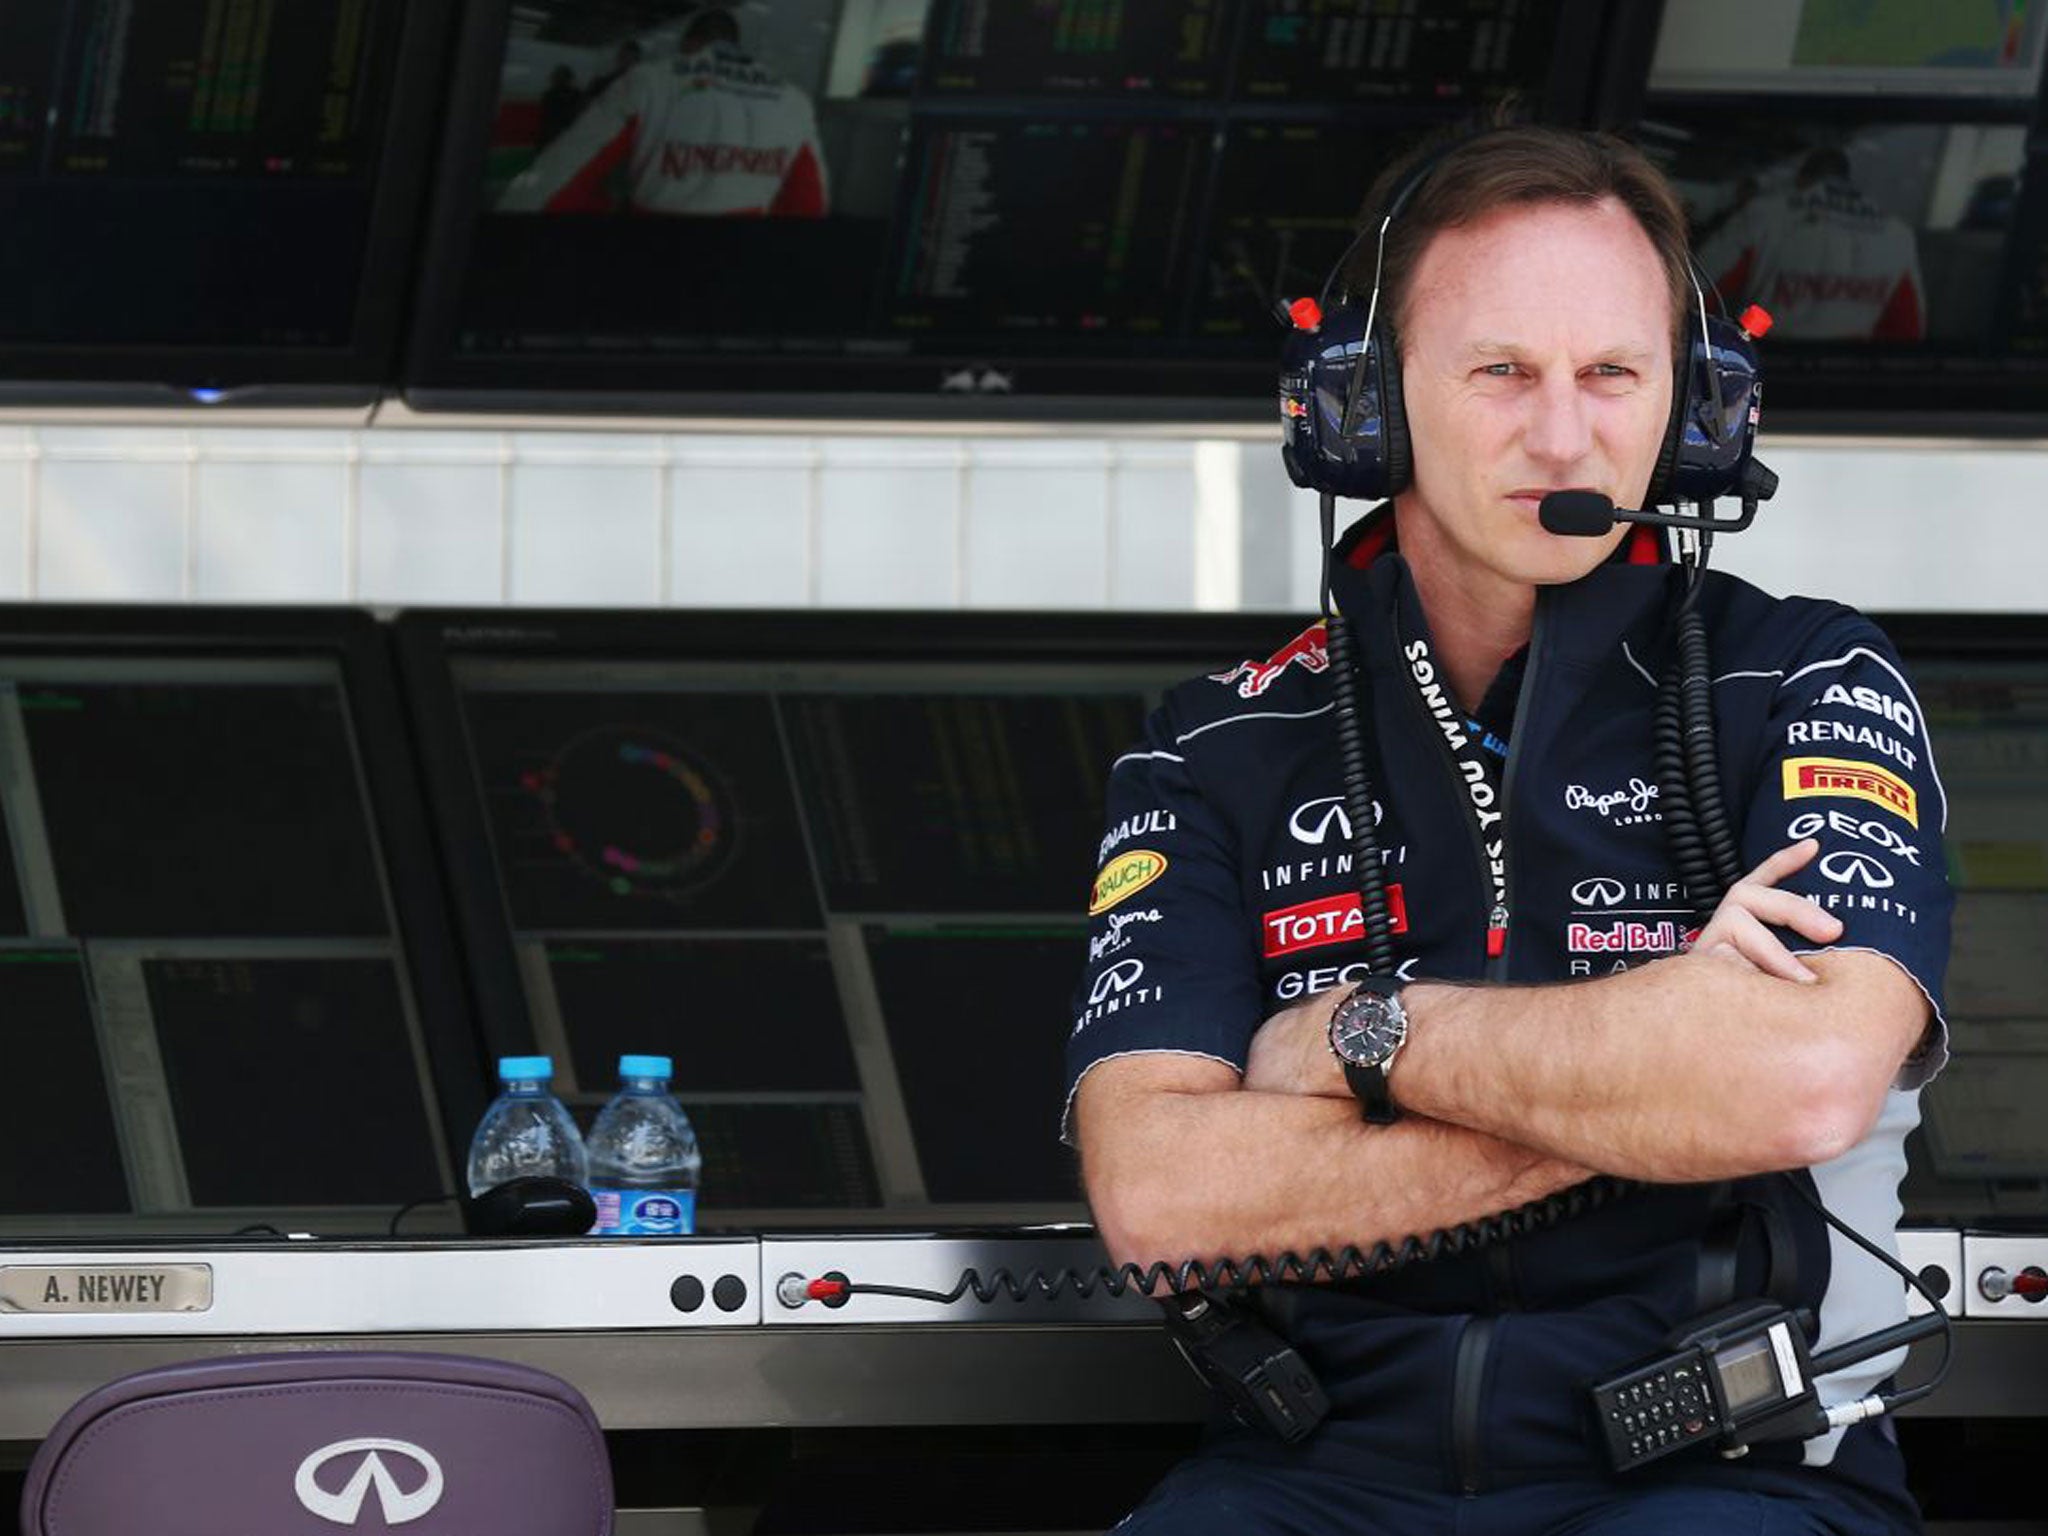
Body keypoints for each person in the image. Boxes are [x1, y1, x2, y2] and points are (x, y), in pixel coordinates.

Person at [1069, 124, 1951, 1535]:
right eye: (1501, 372)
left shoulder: (1810, 686)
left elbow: (1796, 1090)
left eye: (1614, 372)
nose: (1564, 434)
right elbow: (1163, 1194)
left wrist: (1360, 1042)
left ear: (1696, 405)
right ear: (1364, 403)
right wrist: (1660, 1055)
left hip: (1725, 1480)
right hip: (1307, 1481)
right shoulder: (1211, 743)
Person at [498, 9, 827, 218]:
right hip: (740, 278)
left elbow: (541, 193)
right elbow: (810, 205)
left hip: (650, 265)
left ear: (688, 42)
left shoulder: (650, 81)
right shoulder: (793, 99)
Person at [1697, 147, 1926, 341]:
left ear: (1801, 177)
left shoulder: (1765, 215)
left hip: (1769, 363)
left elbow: (1699, 293)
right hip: (1852, 374)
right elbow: (1908, 329)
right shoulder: (1897, 234)